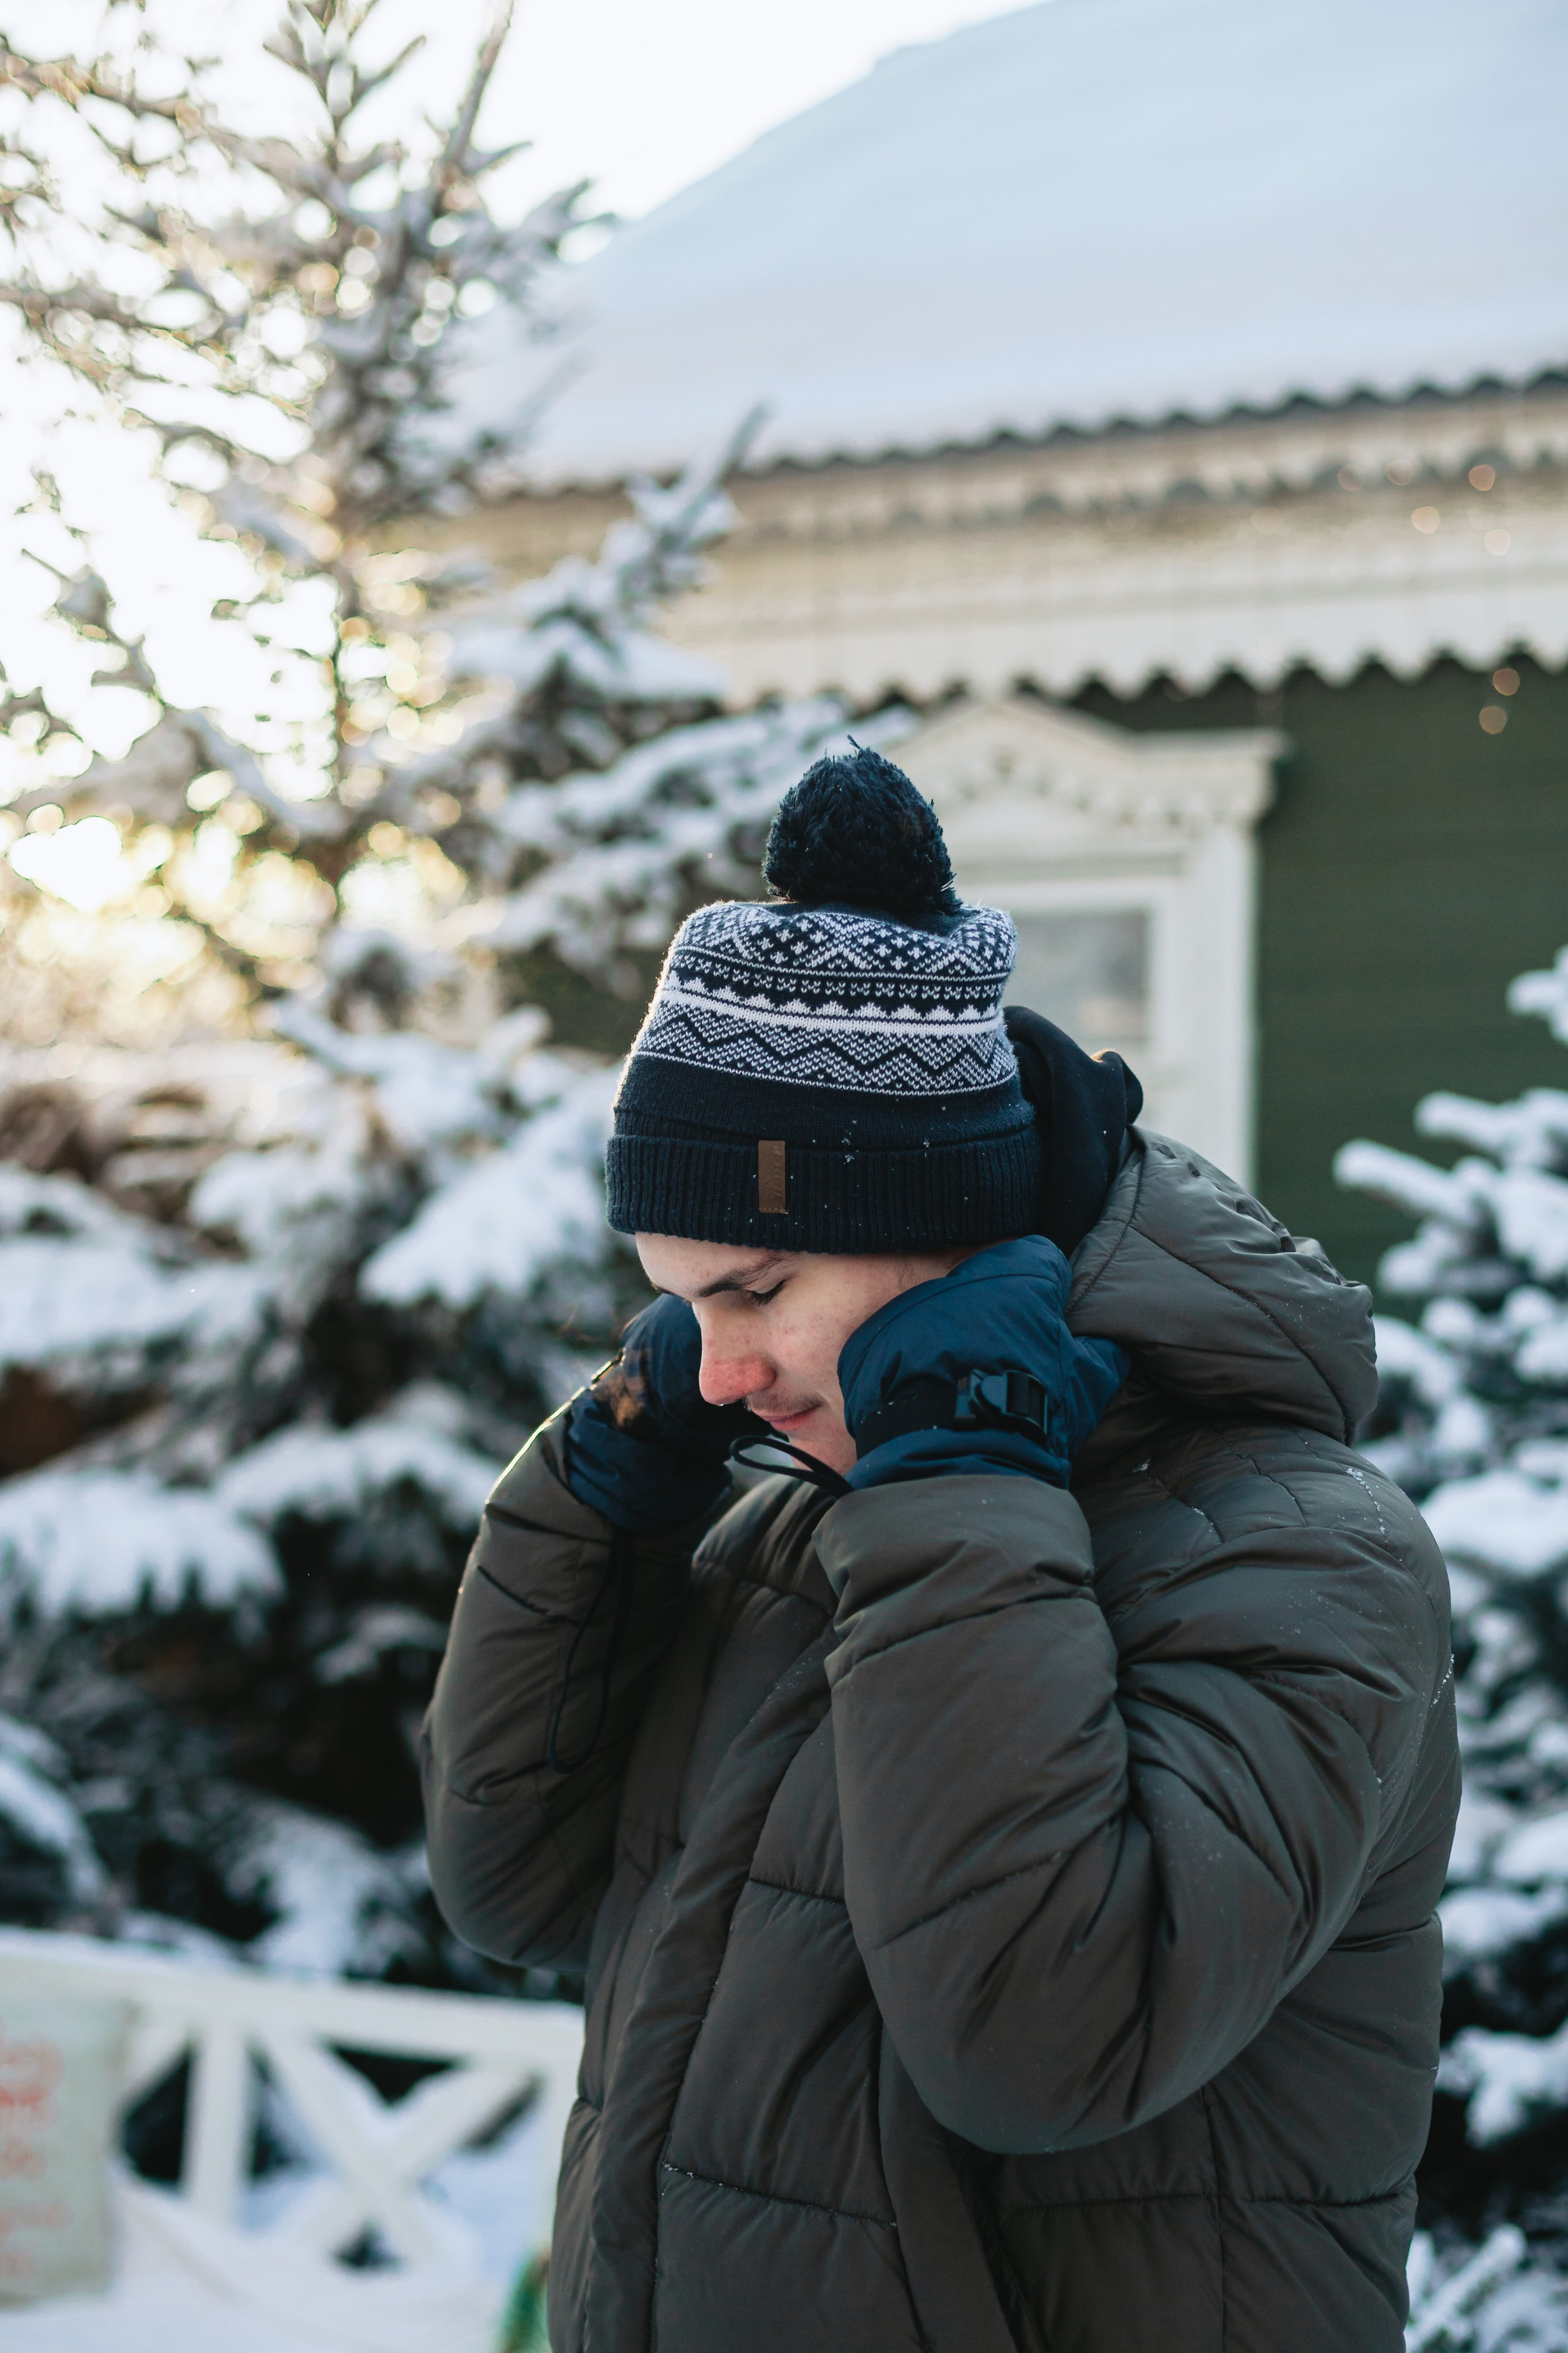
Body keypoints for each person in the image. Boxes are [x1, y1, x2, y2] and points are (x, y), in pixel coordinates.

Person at [421, 747, 1458, 2353]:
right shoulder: (801, 1525)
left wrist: (969, 1462)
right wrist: (602, 1495)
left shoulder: (1312, 1558)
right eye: (680, 1301)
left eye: (754, 1290)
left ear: (955, 1232)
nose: (716, 1369)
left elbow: (1041, 2045)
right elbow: (517, 1883)